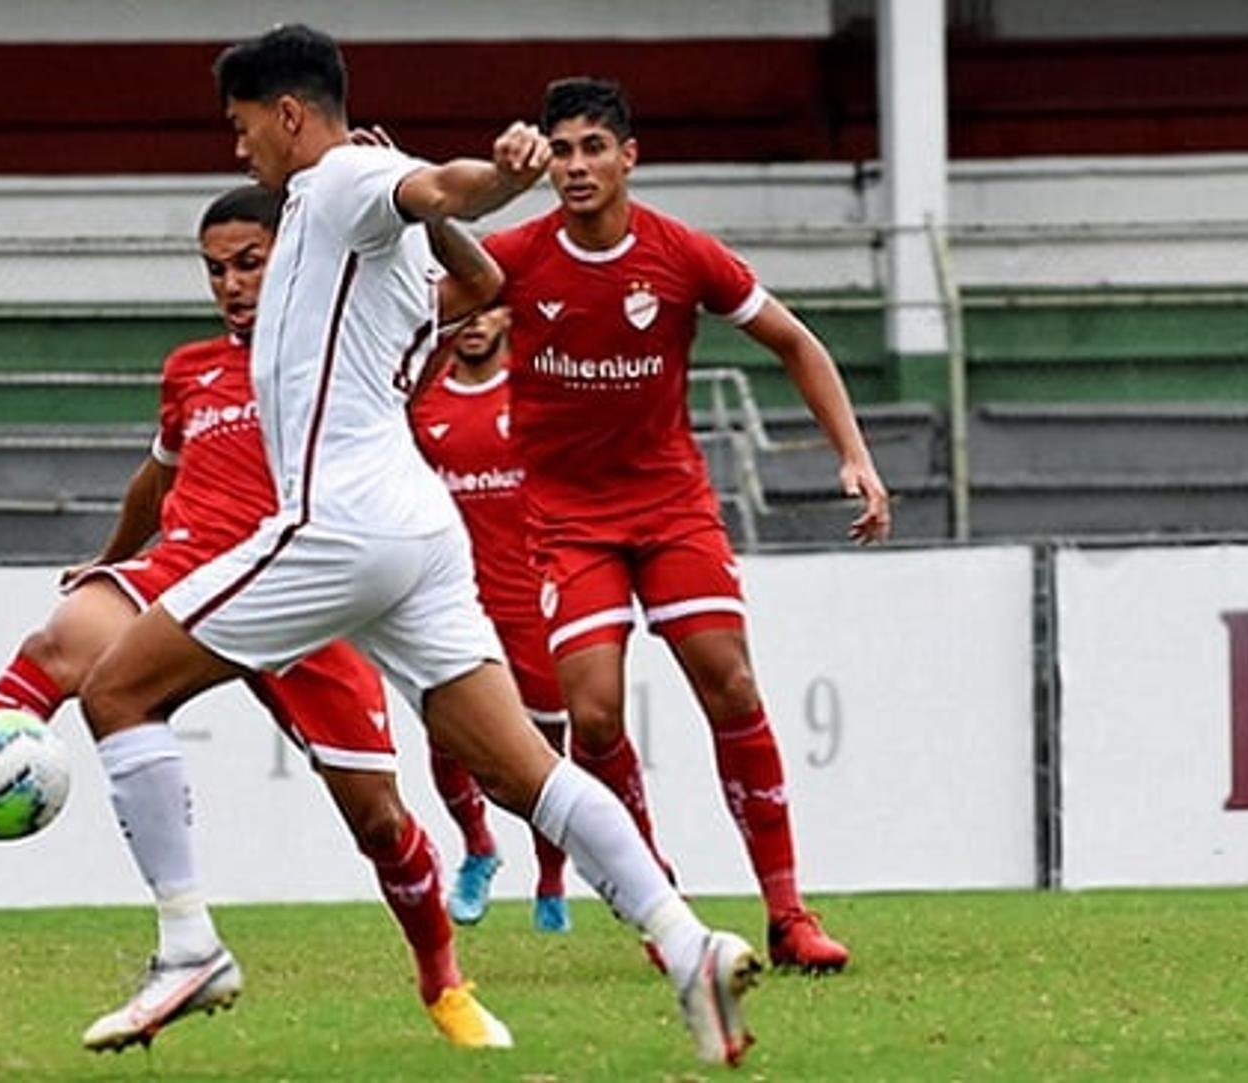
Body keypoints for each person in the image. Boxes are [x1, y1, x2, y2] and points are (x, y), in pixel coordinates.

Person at [71, 25, 762, 1067]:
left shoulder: (345, 177)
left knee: (117, 694)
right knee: (526, 770)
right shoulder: (353, 224)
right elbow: (480, 280)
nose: (239, 146)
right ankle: (685, 941)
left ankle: (189, 949)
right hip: (417, 529)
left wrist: (504, 172)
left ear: (289, 114)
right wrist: (448, 210)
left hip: (338, 522)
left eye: (242, 124)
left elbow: (445, 186)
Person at [0, 186, 509, 1048]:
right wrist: (110, 554)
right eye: (215, 269)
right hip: (187, 569)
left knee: (377, 818)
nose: (230, 283)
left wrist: (418, 206)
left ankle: (443, 981)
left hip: (310, 580)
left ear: (294, 254)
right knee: (62, 637)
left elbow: (481, 288)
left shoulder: (353, 339)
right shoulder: (191, 369)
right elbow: (159, 479)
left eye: (249, 263)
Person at [481, 77, 894, 974]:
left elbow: (796, 341)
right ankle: (658, 898)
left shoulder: (681, 254)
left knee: (732, 683)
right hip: (565, 516)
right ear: (543, 160)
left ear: (630, 157)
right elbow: (413, 299)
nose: (577, 165)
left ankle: (789, 914)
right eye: (562, 150)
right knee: (591, 714)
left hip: (669, 505)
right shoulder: (514, 254)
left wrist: (854, 454)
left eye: (594, 147)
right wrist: (440, 186)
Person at [410, 305, 572, 934]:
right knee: (445, 733)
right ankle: (477, 846)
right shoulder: (423, 404)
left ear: (508, 315)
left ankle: (552, 882)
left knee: (544, 745)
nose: (473, 323)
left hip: (529, 595)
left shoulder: (536, 392)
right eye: (463, 312)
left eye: (487, 310)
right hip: (452, 597)